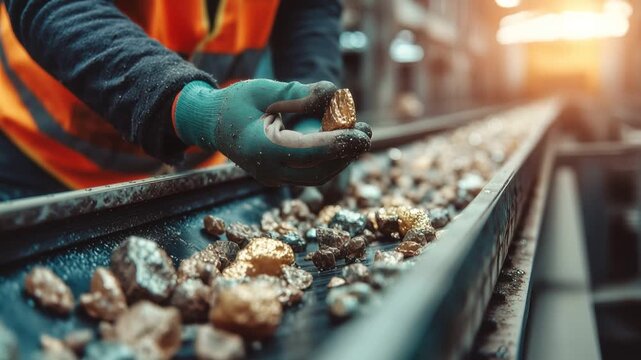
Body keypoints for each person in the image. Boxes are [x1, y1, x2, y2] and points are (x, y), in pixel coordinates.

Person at [0, 0, 372, 201]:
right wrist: (195, 109)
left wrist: (308, 112)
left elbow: (306, 7)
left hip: (194, 164)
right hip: (42, 156)